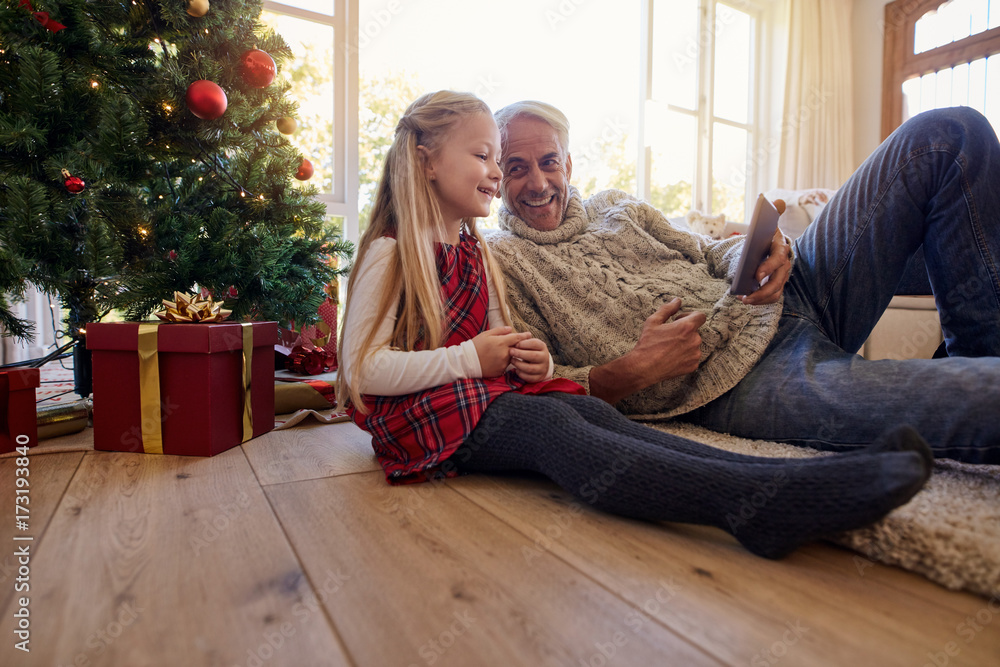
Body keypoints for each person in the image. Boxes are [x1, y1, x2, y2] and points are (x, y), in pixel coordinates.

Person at [337, 90, 934, 560]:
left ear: (569, 163)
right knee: (554, 428)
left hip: (482, 389)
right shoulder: (396, 250)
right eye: (489, 157)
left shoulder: (477, 251)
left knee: (585, 411)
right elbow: (361, 371)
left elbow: (507, 341)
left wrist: (535, 361)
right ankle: (747, 503)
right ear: (427, 161)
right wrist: (475, 361)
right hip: (428, 412)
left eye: (511, 158)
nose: (502, 173)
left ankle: (783, 483)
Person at [486, 101, 1000, 464]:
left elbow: (711, 251)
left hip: (796, 291)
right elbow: (531, 391)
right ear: (496, 177)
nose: (537, 181)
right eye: (515, 168)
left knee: (949, 134)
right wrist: (630, 371)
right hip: (740, 382)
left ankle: (981, 345)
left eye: (548, 161)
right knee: (986, 395)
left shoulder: (617, 205)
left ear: (568, 164)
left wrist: (764, 250)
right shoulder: (499, 263)